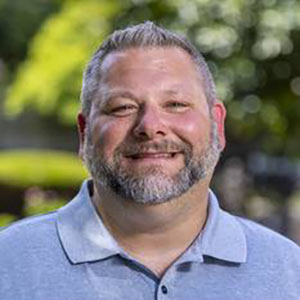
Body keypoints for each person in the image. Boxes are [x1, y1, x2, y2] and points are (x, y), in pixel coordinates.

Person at [1, 21, 299, 300]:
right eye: (122, 107)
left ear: (217, 126)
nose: (150, 125)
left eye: (176, 104)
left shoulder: (289, 274)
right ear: (84, 132)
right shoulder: (8, 266)